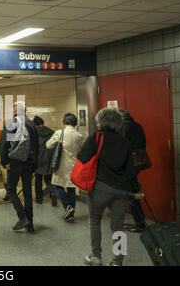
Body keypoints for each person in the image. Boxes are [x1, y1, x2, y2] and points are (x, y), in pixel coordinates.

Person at [77, 108, 142, 266]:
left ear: (101, 121)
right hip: (121, 191)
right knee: (118, 226)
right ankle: (117, 261)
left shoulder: (96, 137)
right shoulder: (125, 141)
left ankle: (96, 257)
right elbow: (130, 169)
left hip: (100, 187)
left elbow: (82, 157)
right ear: (117, 123)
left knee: (94, 221)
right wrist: (136, 189)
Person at [0, 101, 38, 232]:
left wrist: (5, 162)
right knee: (27, 192)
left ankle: (22, 217)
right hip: (28, 162)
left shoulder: (11, 122)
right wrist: (34, 163)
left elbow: (4, 144)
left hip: (14, 162)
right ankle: (30, 223)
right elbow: (36, 145)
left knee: (10, 190)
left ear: (15, 110)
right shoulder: (31, 124)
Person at [46, 113, 85, 222]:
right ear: (75, 123)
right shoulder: (80, 136)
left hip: (62, 166)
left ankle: (67, 206)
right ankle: (71, 213)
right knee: (71, 188)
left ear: (64, 123)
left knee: (57, 185)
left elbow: (48, 145)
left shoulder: (59, 133)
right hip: (75, 166)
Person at [118, 107, 148, 233]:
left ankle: (140, 224)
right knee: (131, 191)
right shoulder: (137, 125)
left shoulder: (123, 126)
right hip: (139, 161)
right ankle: (138, 221)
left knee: (131, 193)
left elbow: (121, 146)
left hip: (129, 163)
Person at [33, 116, 57, 206]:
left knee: (38, 180)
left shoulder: (34, 133)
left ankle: (39, 199)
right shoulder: (51, 132)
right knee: (48, 179)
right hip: (49, 159)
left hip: (38, 159)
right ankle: (53, 193)